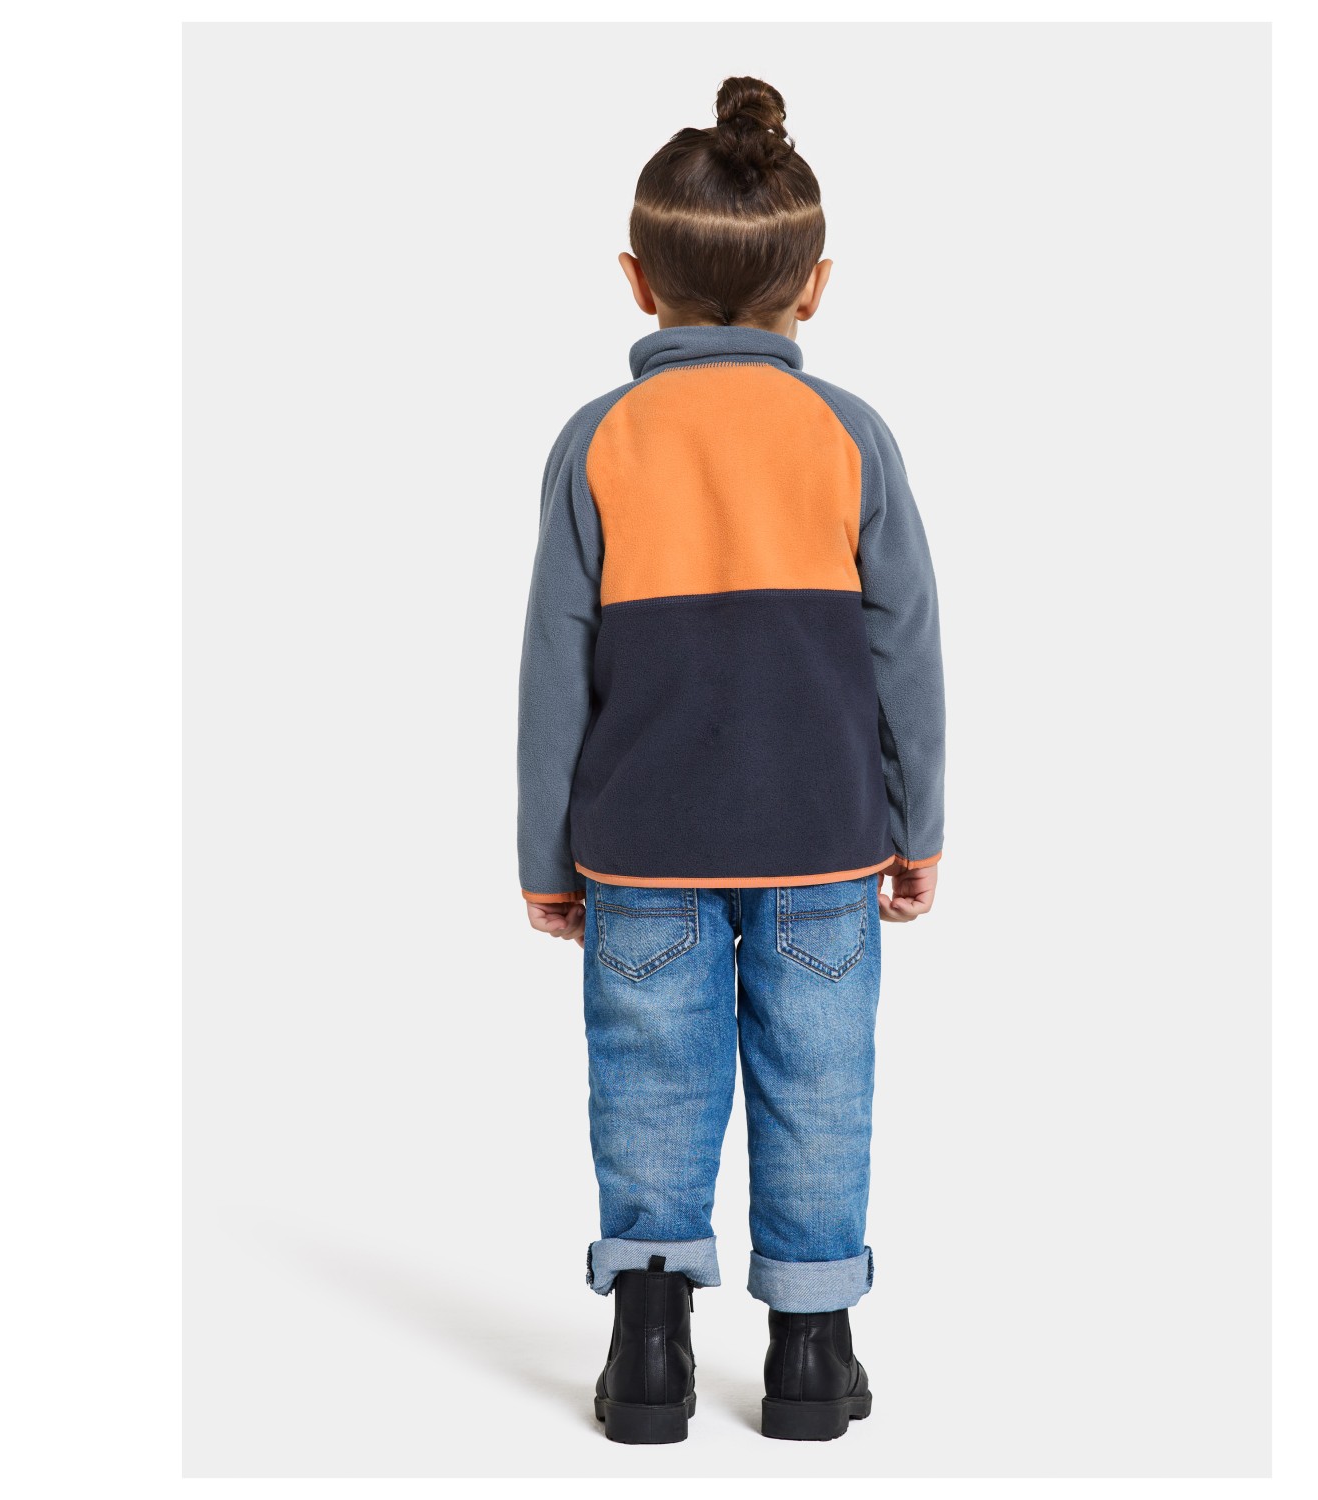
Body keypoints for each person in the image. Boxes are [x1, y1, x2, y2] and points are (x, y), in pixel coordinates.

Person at [516, 75, 945, 1444]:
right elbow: (905, 649)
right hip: (827, 840)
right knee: (821, 1082)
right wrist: (919, 821)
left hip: (641, 845)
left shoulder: (599, 439)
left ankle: (649, 1351)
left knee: (650, 1082)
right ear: (812, 287)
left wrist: (546, 853)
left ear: (639, 282)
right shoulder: (849, 435)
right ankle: (813, 1350)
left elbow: (554, 667)